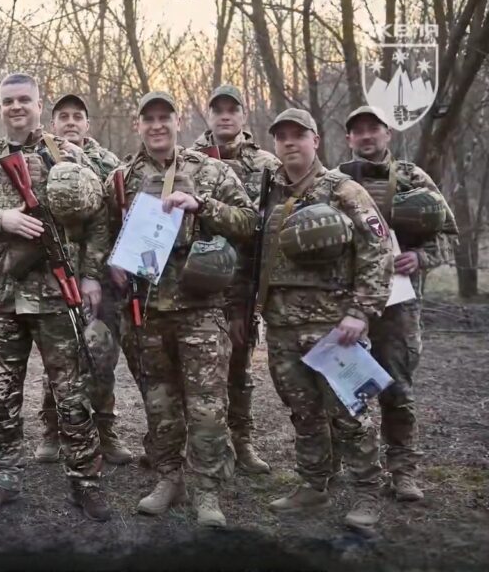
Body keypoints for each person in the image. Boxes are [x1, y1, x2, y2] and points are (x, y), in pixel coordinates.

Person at [0, 73, 112, 521]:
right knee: (1, 394)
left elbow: (98, 218)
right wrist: (1, 219)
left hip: (58, 297)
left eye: (25, 100)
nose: (17, 107)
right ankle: (4, 478)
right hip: (1, 298)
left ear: (39, 105)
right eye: (9, 101)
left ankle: (85, 480)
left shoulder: (68, 155)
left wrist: (92, 276)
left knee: (72, 395)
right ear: (1, 107)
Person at [109, 91, 256, 528]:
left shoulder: (210, 169)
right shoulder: (121, 178)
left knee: (207, 407)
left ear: (178, 123)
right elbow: (101, 232)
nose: (157, 125)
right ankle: (168, 478)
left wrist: (202, 205)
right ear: (138, 125)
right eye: (148, 118)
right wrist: (110, 263)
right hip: (147, 311)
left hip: (201, 308)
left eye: (165, 117)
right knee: (160, 404)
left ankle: (207, 490)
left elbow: (250, 222)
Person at [262, 108, 392, 534]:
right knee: (303, 411)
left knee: (350, 411)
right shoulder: (270, 193)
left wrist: (361, 310)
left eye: (298, 135)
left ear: (315, 140)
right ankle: (314, 484)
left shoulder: (343, 189)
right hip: (282, 324)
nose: (289, 143)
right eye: (282, 136)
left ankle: (367, 491)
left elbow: (378, 248)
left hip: (334, 325)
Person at [340, 105, 458, 501]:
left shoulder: (412, 177)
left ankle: (403, 471)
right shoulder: (337, 180)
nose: (366, 136)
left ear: (387, 133)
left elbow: (449, 234)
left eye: (373, 128)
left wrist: (421, 257)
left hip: (398, 304)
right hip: (350, 303)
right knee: (345, 387)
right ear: (348, 138)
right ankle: (348, 468)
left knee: (397, 389)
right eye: (358, 130)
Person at [34, 93, 132, 466]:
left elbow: (112, 213)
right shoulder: (39, 158)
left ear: (88, 124)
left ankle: (106, 430)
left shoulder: (107, 162)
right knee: (59, 358)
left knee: (101, 353)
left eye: (78, 116)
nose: (71, 122)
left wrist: (95, 272)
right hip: (54, 276)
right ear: (53, 123)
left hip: (100, 280)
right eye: (64, 116)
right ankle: (52, 430)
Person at [191, 84, 281, 474]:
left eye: (233, 109)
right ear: (209, 116)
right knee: (197, 371)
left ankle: (242, 441)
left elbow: (275, 225)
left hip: (244, 283)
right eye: (218, 110)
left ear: (243, 116)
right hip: (199, 281)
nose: (225, 115)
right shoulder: (190, 160)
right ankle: (197, 444)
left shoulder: (267, 164)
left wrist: (259, 292)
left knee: (239, 368)